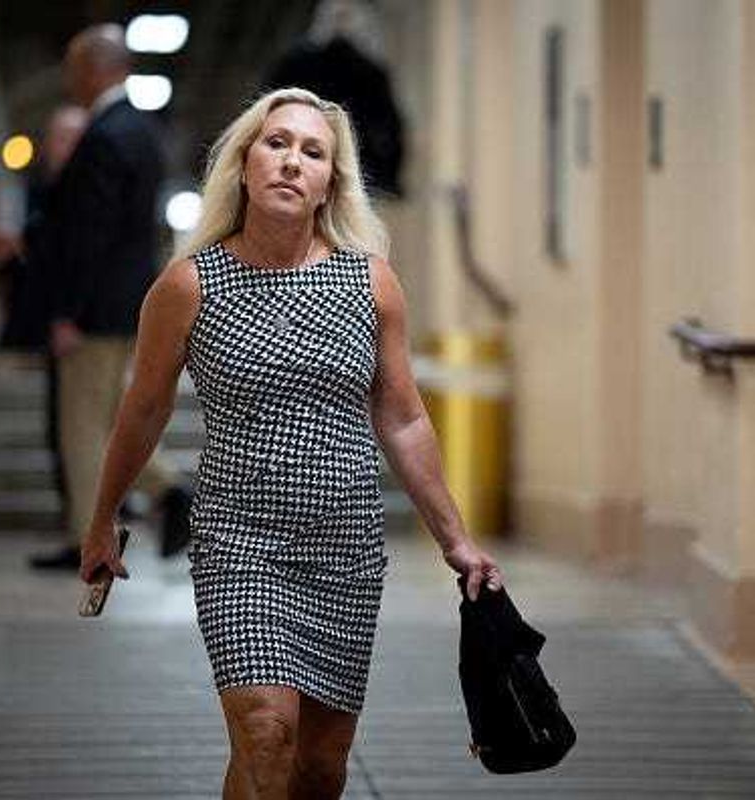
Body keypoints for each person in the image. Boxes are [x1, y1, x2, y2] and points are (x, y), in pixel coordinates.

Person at [78, 87, 503, 799]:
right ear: (244, 163)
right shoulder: (189, 285)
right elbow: (143, 409)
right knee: (266, 733)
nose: (291, 162)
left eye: (313, 153)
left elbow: (403, 418)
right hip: (240, 543)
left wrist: (454, 539)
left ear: (328, 185)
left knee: (318, 765)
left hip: (345, 547)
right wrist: (101, 520)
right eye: (276, 144)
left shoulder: (370, 283)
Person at [30, 24, 192, 571]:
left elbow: (89, 234)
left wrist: (68, 311)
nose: (69, 78)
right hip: (127, 301)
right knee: (108, 418)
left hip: (93, 311)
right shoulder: (143, 131)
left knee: (83, 427)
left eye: (74, 67)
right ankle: (164, 492)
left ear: (95, 68)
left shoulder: (103, 134)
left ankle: (90, 539)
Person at [0, 105, 88, 537]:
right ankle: (77, 521)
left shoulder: (86, 188)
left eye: (67, 138)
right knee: (62, 427)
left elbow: (84, 255)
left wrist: (71, 316)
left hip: (83, 325)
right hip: (56, 321)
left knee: (86, 429)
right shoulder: (50, 188)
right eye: (55, 138)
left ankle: (159, 493)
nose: (56, 147)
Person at [265, 0, 405, 197]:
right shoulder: (298, 64)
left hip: (346, 164)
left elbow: (389, 128)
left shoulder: (369, 72)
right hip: (323, 159)